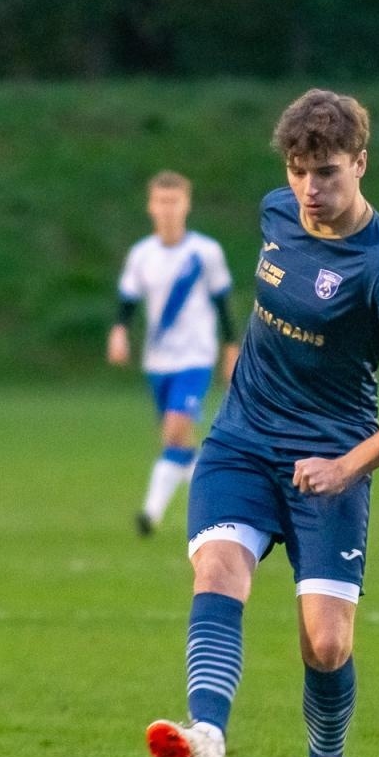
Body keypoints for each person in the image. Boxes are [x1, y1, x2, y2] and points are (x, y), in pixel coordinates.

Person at [145, 89, 379, 757]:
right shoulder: (275, 212)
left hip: (331, 461)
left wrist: (349, 465)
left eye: (326, 172)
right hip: (242, 441)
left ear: (360, 163)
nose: (309, 189)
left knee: (326, 643)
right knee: (220, 570)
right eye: (297, 171)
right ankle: (208, 736)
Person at [108, 171, 240, 537]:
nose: (167, 209)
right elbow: (128, 302)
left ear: (187, 204)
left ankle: (149, 515)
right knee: (179, 445)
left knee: (174, 432)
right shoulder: (142, 255)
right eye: (161, 201)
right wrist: (119, 333)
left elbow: (222, 302)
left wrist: (231, 348)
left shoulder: (205, 252)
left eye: (174, 201)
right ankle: (223, 487)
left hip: (195, 357)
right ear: (151, 206)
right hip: (158, 360)